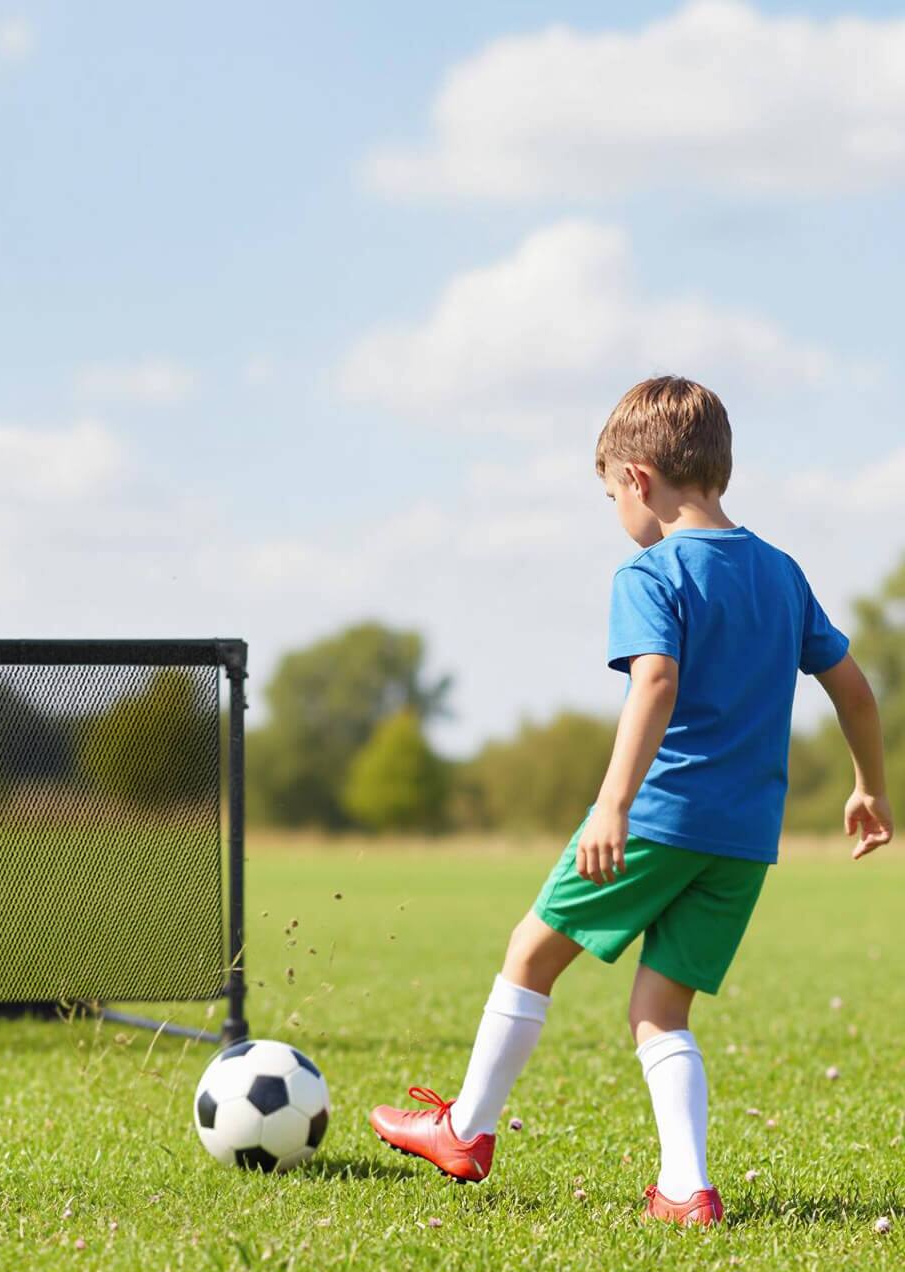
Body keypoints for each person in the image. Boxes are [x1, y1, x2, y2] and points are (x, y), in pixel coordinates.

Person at [370, 375, 892, 1225]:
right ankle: (686, 1188)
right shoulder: (781, 572)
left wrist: (612, 803)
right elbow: (857, 692)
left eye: (612, 492)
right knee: (659, 1010)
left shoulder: (652, 571)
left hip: (658, 814)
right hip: (746, 837)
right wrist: (870, 785)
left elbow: (654, 679)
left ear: (639, 480)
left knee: (530, 953)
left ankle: (465, 1129)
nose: (616, 509)